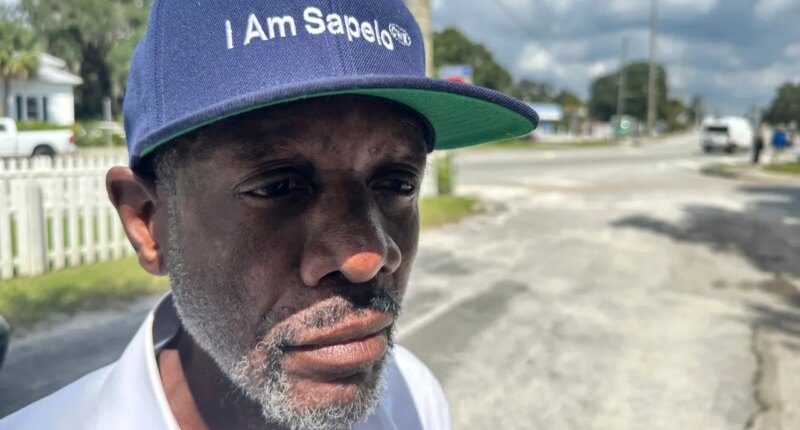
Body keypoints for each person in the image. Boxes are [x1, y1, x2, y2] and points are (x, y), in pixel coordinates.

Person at [0, 1, 538, 430]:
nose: (367, 257)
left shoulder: (415, 397)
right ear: (147, 222)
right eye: (278, 187)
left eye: (397, 183)